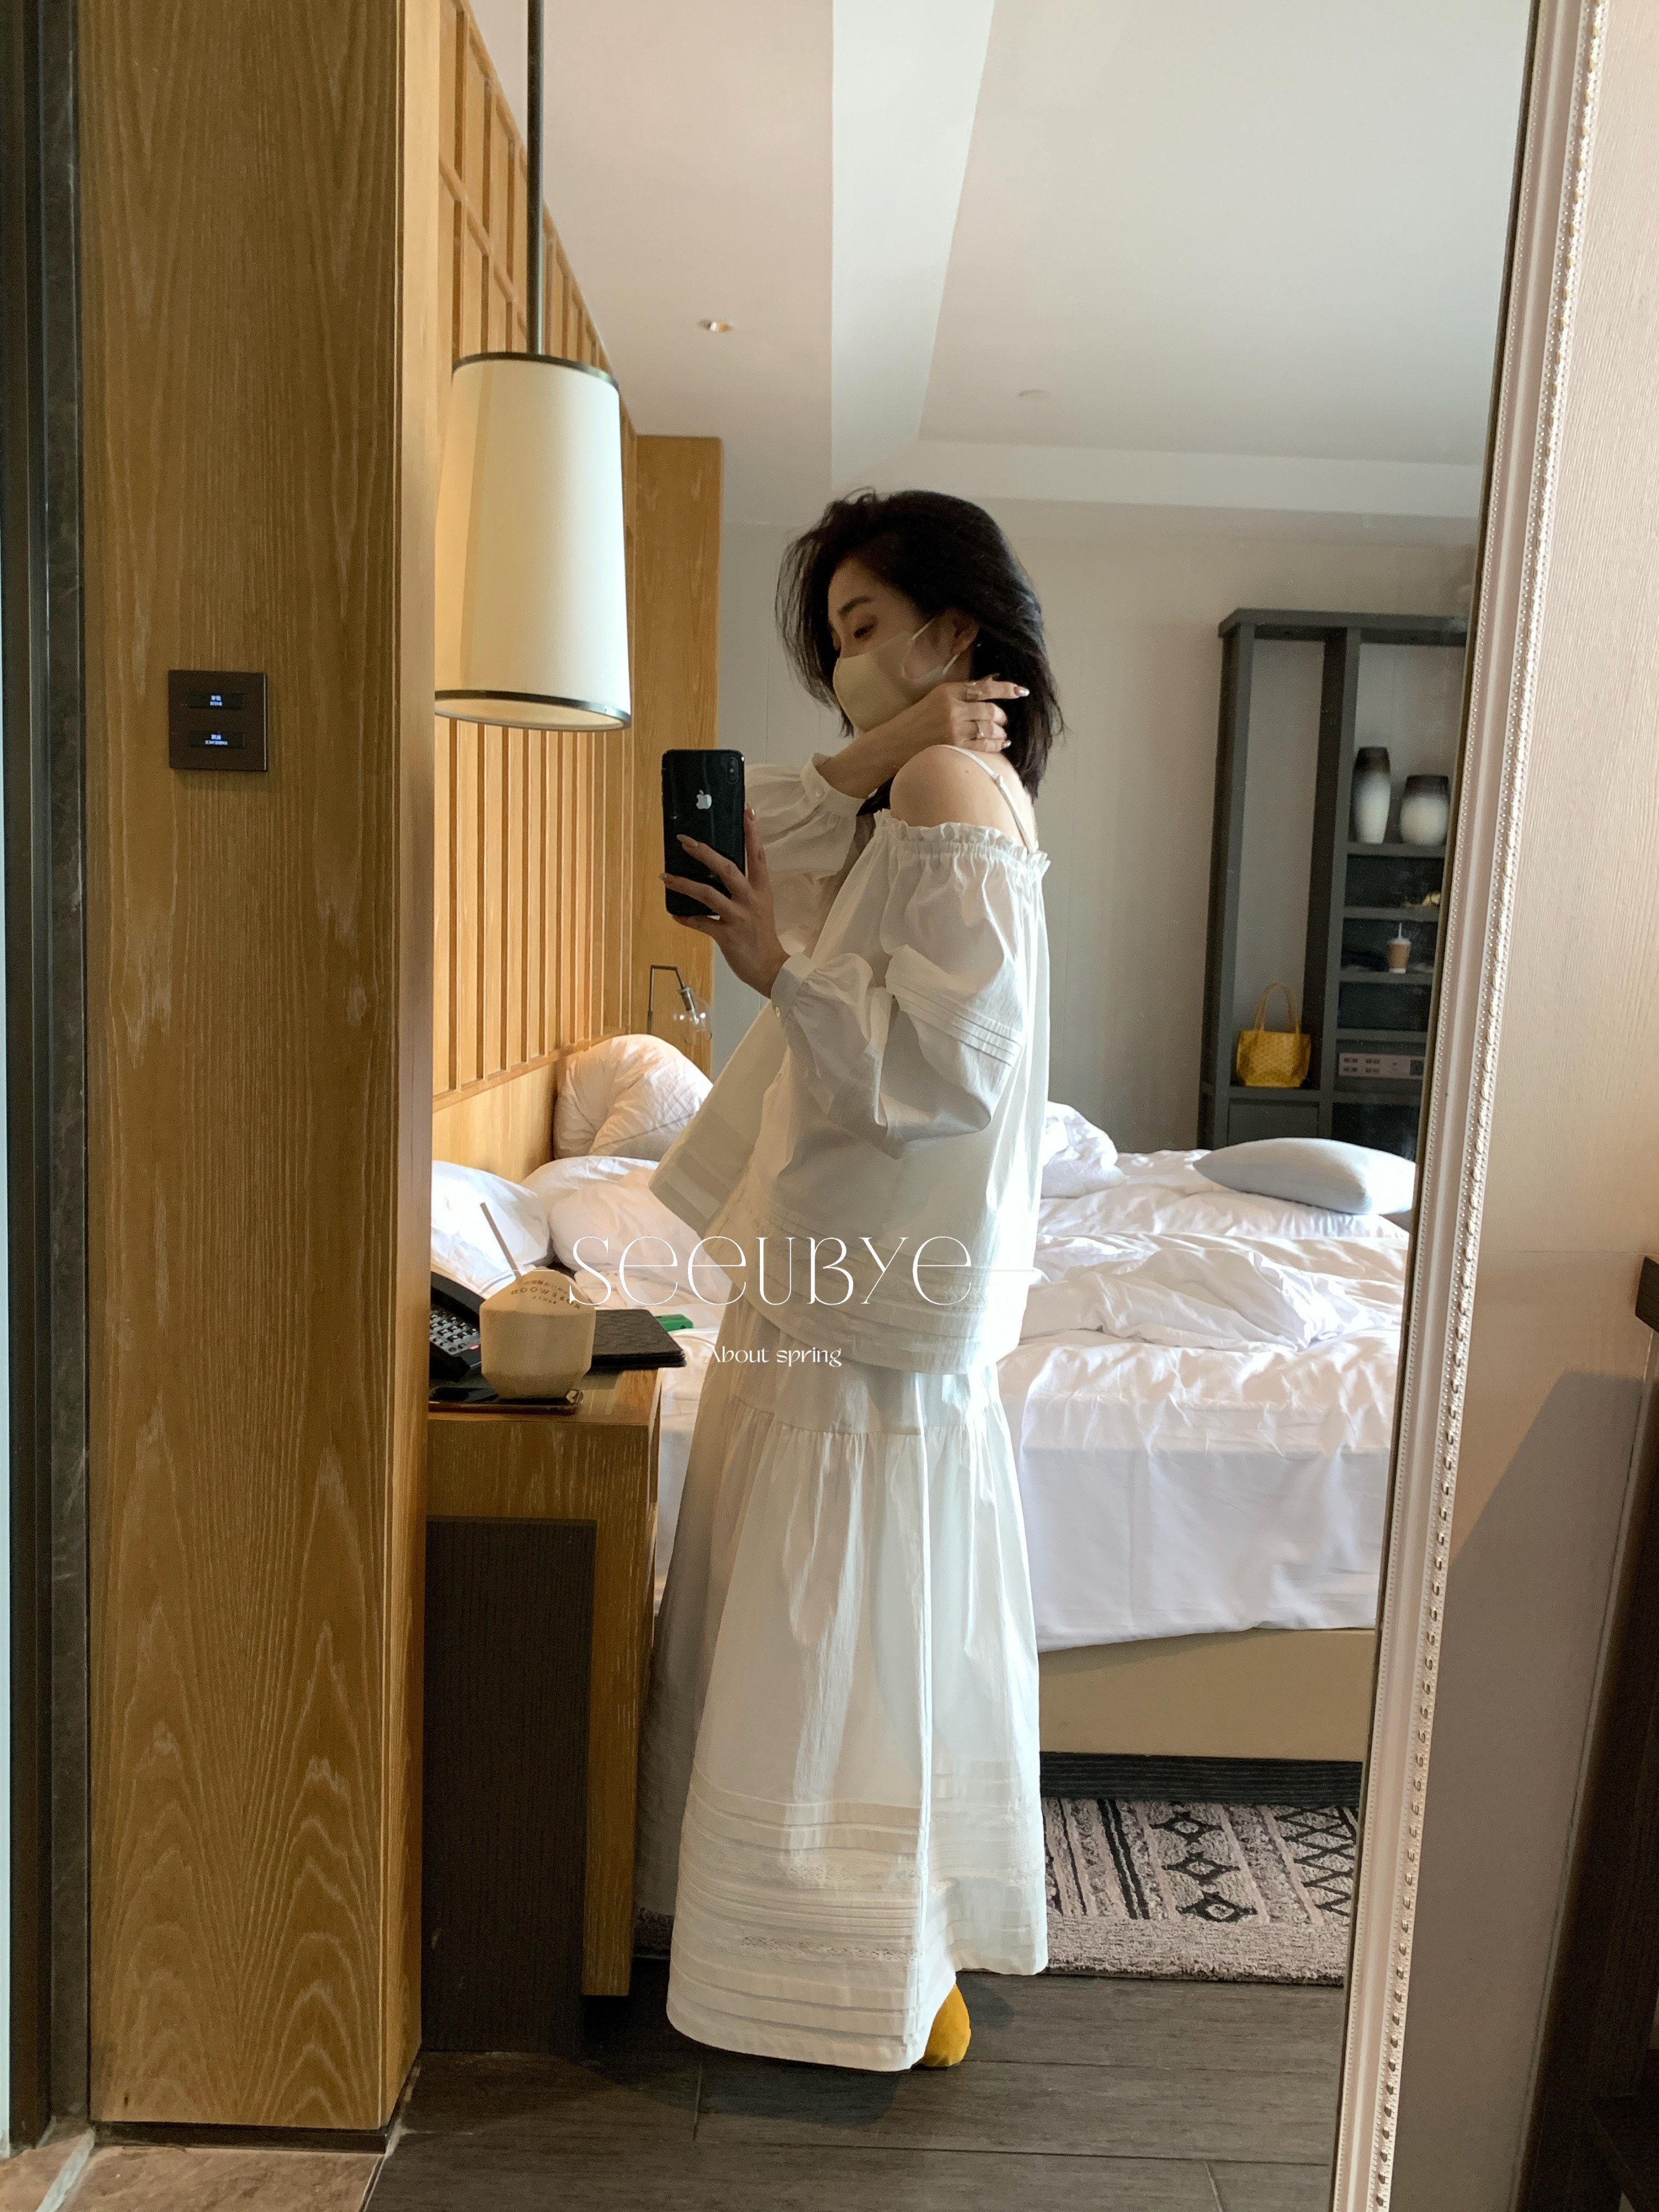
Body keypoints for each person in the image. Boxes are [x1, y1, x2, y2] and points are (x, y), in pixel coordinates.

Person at [634, 487, 1062, 2072]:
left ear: (958, 627)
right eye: (833, 643)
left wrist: (776, 973)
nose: (842, 665)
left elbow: (947, 1070)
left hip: (856, 1264)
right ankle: (906, 1949)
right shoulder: (939, 777)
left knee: (826, 1623)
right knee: (891, 1627)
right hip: (875, 1268)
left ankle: (825, 1964)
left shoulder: (948, 783)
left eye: (868, 625)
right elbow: (754, 823)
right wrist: (893, 735)